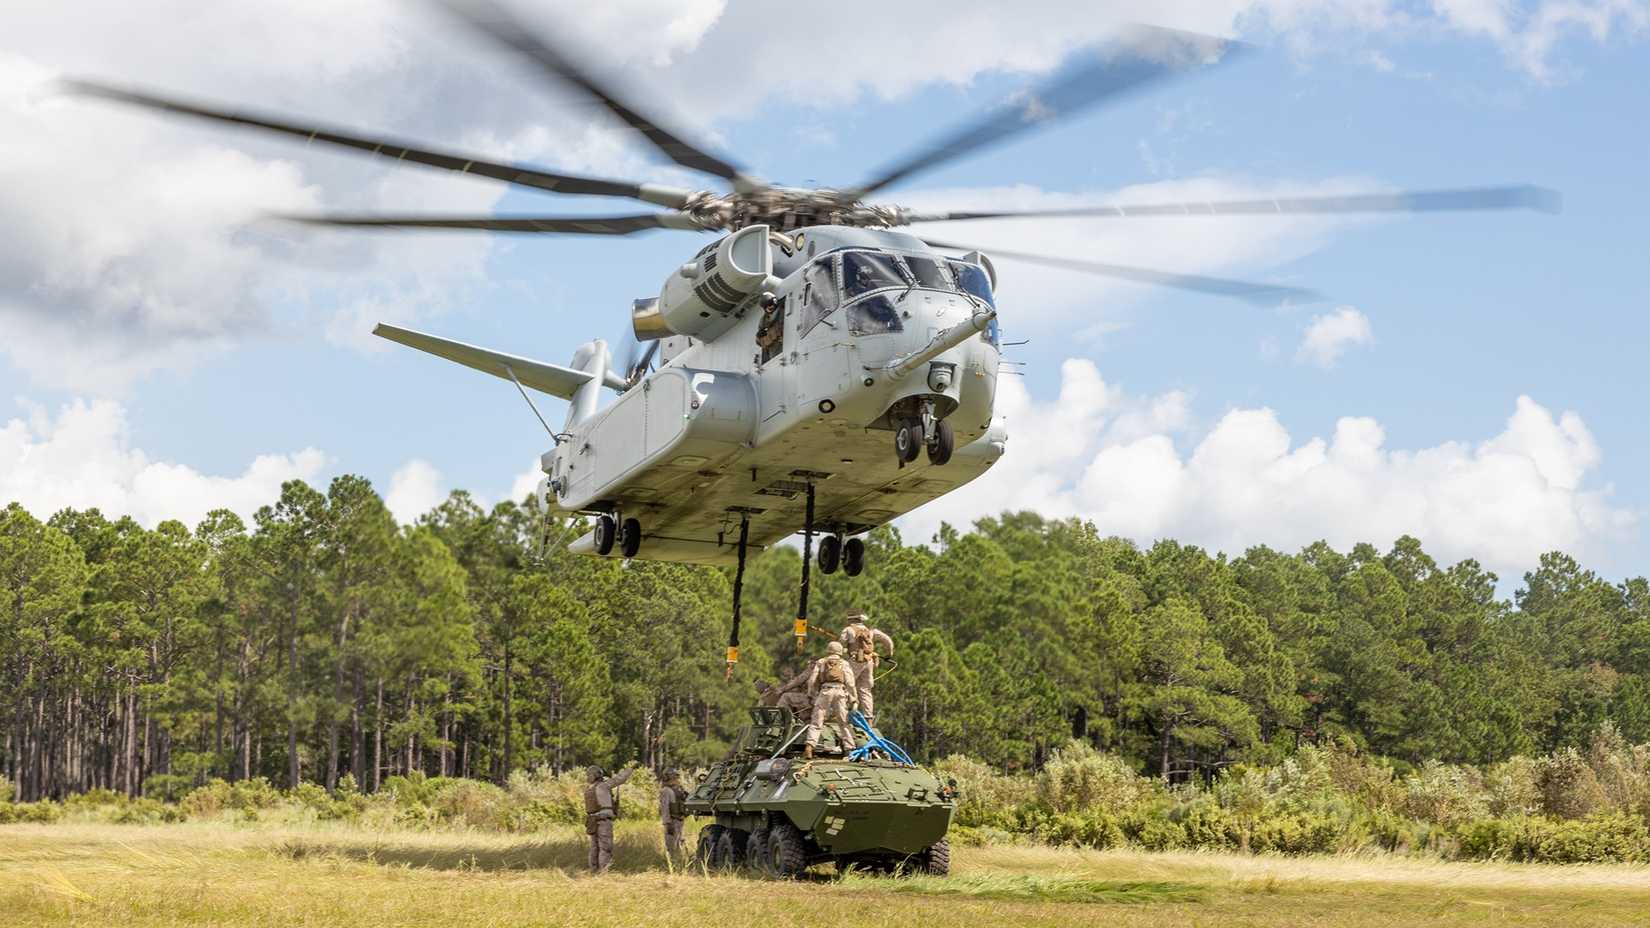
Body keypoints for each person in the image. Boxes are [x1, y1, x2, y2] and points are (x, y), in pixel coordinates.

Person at [803, 641, 859, 760]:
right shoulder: (844, 663)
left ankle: (809, 746)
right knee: (843, 722)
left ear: (828, 650)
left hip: (825, 691)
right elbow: (850, 682)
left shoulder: (821, 662)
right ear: (839, 652)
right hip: (840, 692)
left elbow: (812, 680)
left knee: (817, 721)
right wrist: (854, 699)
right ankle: (850, 749)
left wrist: (811, 694)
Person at [839, 609, 894, 727]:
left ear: (851, 619)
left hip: (854, 661)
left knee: (844, 686)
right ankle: (869, 720)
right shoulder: (871, 631)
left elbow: (839, 646)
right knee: (865, 690)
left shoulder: (848, 630)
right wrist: (889, 654)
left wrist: (843, 652)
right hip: (869, 662)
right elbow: (888, 641)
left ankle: (842, 716)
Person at [584, 763, 635, 873]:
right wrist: (630, 769)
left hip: (592, 821)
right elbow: (619, 779)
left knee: (594, 847)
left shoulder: (588, 789)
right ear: (598, 775)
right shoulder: (603, 786)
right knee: (605, 847)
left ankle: (593, 870)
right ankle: (603, 871)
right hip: (603, 821)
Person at [658, 769, 689, 862]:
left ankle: (675, 862)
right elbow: (666, 808)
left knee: (673, 843)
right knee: (675, 843)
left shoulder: (670, 790)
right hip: (676, 820)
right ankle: (677, 861)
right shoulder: (675, 790)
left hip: (675, 820)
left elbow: (665, 808)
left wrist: (667, 823)